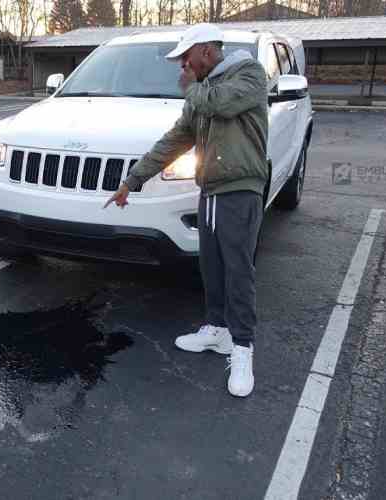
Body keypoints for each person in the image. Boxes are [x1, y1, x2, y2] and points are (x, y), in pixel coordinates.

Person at [104, 23, 269, 397]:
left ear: (206, 52)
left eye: (185, 58)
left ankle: (242, 348)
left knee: (238, 269)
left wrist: (192, 89)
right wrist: (133, 180)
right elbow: (177, 138)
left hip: (241, 190)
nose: (182, 66)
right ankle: (217, 330)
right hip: (210, 190)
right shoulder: (202, 92)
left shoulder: (249, 74)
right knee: (211, 265)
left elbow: (223, 104)